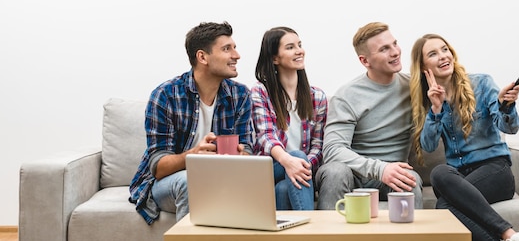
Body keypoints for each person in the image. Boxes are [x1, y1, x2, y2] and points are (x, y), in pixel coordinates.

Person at [409, 33, 519, 241]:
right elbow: (428, 145)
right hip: (460, 179)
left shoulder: (481, 83)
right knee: (440, 174)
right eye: (433, 54)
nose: (442, 56)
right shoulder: (429, 99)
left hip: (495, 171)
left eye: (445, 49)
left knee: (444, 206)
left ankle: (508, 233)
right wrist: (436, 108)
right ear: (424, 68)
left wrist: (507, 105)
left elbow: (509, 127)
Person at [129, 21, 254, 224]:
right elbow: (158, 166)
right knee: (191, 182)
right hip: (170, 182)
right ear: (202, 57)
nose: (236, 55)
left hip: (222, 178)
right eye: (226, 49)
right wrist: (193, 156)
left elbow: (247, 145)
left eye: (235, 48)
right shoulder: (166, 95)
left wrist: (243, 155)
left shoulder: (240, 95)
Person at [315, 21, 423, 210]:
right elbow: (333, 150)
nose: (395, 52)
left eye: (395, 44)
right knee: (334, 172)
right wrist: (380, 169)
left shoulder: (414, 88)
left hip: (392, 178)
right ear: (365, 61)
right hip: (354, 176)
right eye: (384, 49)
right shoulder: (347, 95)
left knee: (410, 179)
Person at [251, 26, 328, 210]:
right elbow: (265, 136)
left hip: (303, 171)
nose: (299, 51)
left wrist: (300, 165)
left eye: (299, 45)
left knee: (284, 189)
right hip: (271, 168)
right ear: (274, 58)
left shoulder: (317, 97)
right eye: (290, 47)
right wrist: (289, 160)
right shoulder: (261, 92)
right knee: (296, 155)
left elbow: (318, 145)